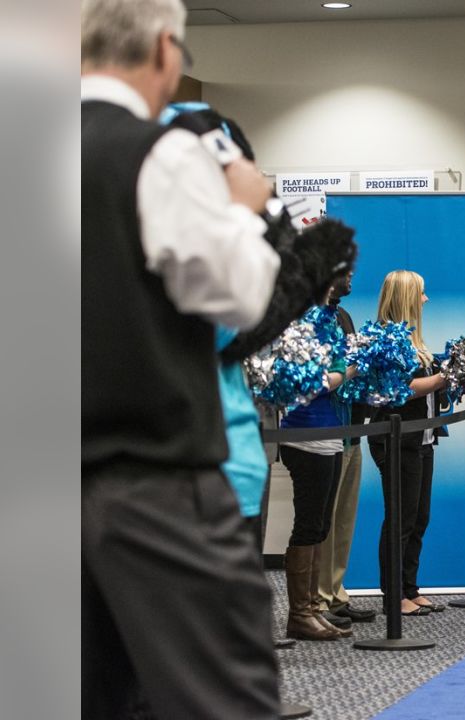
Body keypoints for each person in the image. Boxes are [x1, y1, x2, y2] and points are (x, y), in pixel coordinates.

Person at [81, 0, 281, 715]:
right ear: (166, 49)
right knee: (221, 695)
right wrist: (243, 210)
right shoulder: (159, 153)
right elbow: (240, 296)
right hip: (153, 481)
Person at [367, 270, 449, 616]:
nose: (426, 300)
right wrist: (443, 377)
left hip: (422, 438)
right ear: (406, 298)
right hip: (396, 439)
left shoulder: (415, 339)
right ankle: (393, 594)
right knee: (400, 517)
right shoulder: (387, 339)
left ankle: (410, 587)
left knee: (418, 516)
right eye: (422, 293)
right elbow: (404, 388)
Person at [277, 305, 361, 640]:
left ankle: (312, 608)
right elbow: (313, 383)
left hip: (330, 436)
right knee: (309, 523)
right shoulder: (300, 323)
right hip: (304, 436)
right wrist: (350, 369)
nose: (349, 276)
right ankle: (300, 613)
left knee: (321, 525)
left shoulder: (330, 321)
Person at [315, 271, 378, 625]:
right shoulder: (310, 317)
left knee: (343, 518)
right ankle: (318, 600)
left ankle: (336, 593)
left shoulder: (343, 316)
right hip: (322, 430)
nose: (353, 272)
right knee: (322, 519)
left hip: (352, 428)